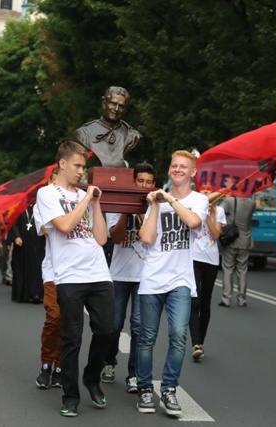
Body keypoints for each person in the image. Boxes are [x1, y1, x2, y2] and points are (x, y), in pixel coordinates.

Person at [36, 141, 114, 417]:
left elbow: (102, 238)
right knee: (72, 338)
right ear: (62, 164)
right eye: (78, 166)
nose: (82, 171)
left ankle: (91, 378)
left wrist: (97, 203)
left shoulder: (86, 195)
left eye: (84, 166)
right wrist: (85, 200)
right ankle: (70, 395)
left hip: (98, 272)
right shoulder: (46, 195)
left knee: (107, 330)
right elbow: (66, 226)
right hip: (68, 275)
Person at [136, 150, 208, 417]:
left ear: (192, 173)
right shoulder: (157, 201)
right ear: (169, 170)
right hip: (153, 279)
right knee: (146, 338)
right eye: (174, 165)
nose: (178, 169)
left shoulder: (198, 200)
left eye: (183, 166)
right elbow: (145, 238)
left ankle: (168, 390)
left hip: (180, 280)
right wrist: (155, 205)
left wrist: (169, 199)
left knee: (178, 336)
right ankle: (145, 388)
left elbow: (193, 221)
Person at [101, 163, 156, 392]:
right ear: (133, 182)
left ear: (153, 184)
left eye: (148, 182)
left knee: (139, 327)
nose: (143, 186)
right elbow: (116, 237)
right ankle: (108, 362)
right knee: (113, 324)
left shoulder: (156, 206)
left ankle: (133, 374)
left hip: (145, 275)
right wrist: (126, 208)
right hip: (120, 274)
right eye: (139, 181)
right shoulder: (117, 204)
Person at [34, 167, 63, 389]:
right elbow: (48, 228)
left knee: (69, 322)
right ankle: (46, 364)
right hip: (53, 270)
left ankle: (61, 367)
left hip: (77, 271)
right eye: (54, 183)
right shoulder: (41, 203)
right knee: (54, 317)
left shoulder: (78, 200)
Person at [189, 188, 226, 361]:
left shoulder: (219, 211)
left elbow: (216, 234)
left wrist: (207, 215)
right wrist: (200, 210)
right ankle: (195, 343)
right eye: (203, 192)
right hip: (193, 258)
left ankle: (201, 342)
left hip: (210, 260)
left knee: (205, 302)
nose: (206, 194)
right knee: (194, 301)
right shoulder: (193, 209)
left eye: (209, 192)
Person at [73, 86, 142, 167]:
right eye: (113, 104)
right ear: (104, 103)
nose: (116, 109)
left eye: (121, 106)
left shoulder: (132, 135)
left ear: (125, 110)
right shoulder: (84, 133)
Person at [218, 195, 256, 307]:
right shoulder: (252, 203)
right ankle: (242, 299)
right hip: (245, 239)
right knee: (242, 269)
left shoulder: (229, 201)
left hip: (231, 238)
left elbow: (219, 212)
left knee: (228, 268)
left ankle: (226, 298)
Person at [9, 202, 45, 303]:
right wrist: (16, 236)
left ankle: (37, 294)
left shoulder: (40, 207)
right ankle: (22, 294)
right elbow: (13, 223)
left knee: (37, 268)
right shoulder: (19, 207)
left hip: (38, 243)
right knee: (22, 267)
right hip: (22, 244)